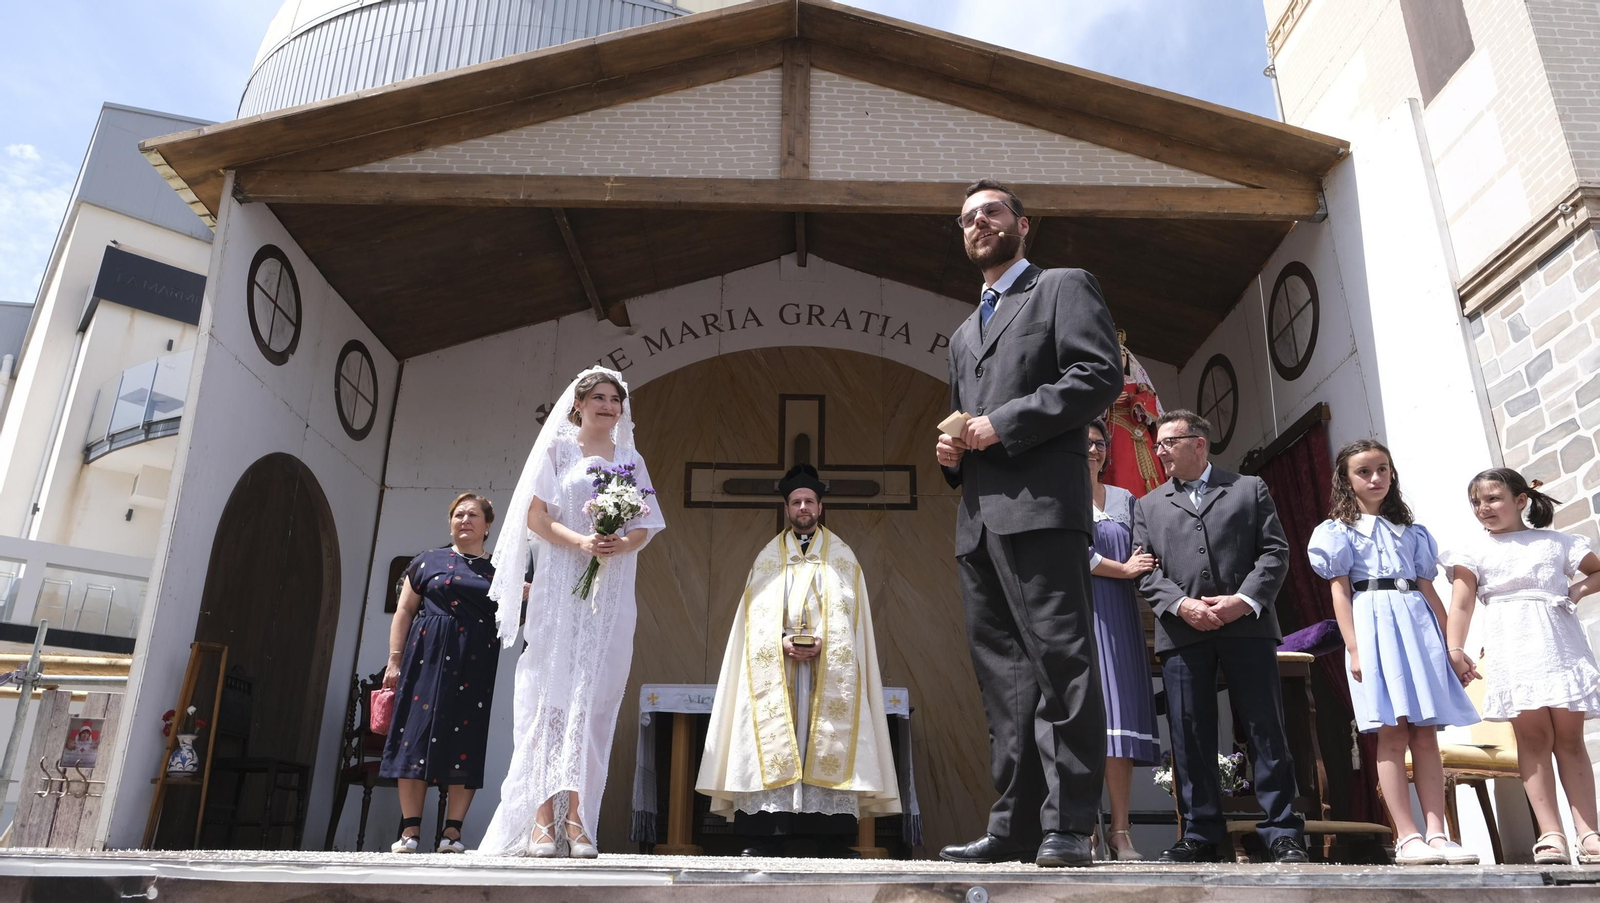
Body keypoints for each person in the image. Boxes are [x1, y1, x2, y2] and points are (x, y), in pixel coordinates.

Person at [934, 179, 1122, 868]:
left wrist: (1001, 424)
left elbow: (1099, 375)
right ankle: (1013, 824)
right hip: (978, 523)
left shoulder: (1064, 287)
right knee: (1004, 684)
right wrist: (951, 451)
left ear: (1023, 224)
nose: (978, 223)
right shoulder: (962, 333)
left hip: (1043, 511)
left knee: (1062, 669)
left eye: (991, 211)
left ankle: (1071, 824)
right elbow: (964, 420)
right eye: (966, 219)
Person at [477, 367, 666, 858]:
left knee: (593, 704)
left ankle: (577, 818)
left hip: (611, 590)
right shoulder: (558, 451)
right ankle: (542, 818)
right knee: (551, 699)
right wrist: (583, 540)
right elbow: (536, 516)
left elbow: (647, 522)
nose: (608, 406)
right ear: (578, 404)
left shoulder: (630, 459)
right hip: (561, 585)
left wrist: (619, 543)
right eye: (598, 397)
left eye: (615, 399)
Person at [696, 464, 900, 857]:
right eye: (796, 502)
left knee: (819, 742)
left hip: (826, 673)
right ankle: (767, 835)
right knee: (779, 742)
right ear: (787, 509)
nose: (803, 507)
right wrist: (781, 642)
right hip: (781, 669)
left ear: (820, 507)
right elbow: (751, 619)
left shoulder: (842, 556)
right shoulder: (768, 558)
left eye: (809, 501)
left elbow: (853, 617)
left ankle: (831, 839)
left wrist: (826, 643)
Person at [1131, 409, 1307, 864]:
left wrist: (1241, 601)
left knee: (1265, 727)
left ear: (1199, 444)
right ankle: (1201, 833)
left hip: (1247, 627)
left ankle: (1283, 831)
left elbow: (1275, 552)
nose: (1159, 450)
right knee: (1189, 734)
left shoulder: (1249, 488)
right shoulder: (1147, 505)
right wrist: (1182, 605)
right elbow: (1145, 571)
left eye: (1169, 442)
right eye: (1159, 443)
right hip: (1182, 632)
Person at [1307, 440, 1479, 866]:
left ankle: (1439, 834)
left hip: (1417, 625)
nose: (1376, 478)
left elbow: (1429, 591)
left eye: (1382, 469)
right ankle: (1407, 836)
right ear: (1346, 480)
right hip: (1374, 625)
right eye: (1364, 472)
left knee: (1425, 733)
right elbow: (1340, 594)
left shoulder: (1413, 533)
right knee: (1393, 731)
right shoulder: (1337, 533)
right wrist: (1354, 649)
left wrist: (1451, 647)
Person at [1443, 468, 1600, 866]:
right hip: (1512, 648)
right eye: (1476, 501)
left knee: (1569, 739)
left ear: (1520, 500)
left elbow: (1595, 571)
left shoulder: (1557, 542)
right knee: (1532, 740)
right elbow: (1461, 603)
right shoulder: (1472, 552)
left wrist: (1576, 590)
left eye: (1493, 498)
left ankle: (1589, 833)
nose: (1484, 508)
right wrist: (1454, 648)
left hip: (1560, 646)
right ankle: (1552, 834)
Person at [381, 493, 519, 853]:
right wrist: (395, 660)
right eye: (458, 514)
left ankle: (452, 833)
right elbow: (404, 612)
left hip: (475, 661)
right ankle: (410, 831)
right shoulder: (427, 561)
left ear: (488, 526)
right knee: (414, 737)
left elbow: (518, 607)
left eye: (473, 515)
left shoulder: (503, 568)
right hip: (424, 659)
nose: (465, 520)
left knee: (465, 741)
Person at [1084, 419, 1162, 860]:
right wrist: (1124, 568)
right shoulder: (1060, 496)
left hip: (1120, 617)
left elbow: (1144, 553)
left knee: (1118, 725)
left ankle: (1119, 830)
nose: (1092, 450)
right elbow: (1076, 554)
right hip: (1078, 613)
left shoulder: (1125, 499)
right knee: (1086, 723)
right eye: (1084, 444)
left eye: (1098, 444)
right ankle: (1084, 828)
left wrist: (1130, 570)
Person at [1101, 331, 1167, 497]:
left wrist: (1137, 400)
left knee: (1151, 471)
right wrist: (1108, 401)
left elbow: (1151, 402)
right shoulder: (1101, 382)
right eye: (1115, 353)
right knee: (1121, 468)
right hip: (1116, 429)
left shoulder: (1138, 382)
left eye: (1123, 354)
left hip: (1140, 429)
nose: (1120, 357)